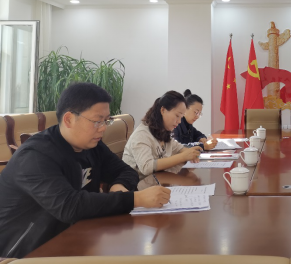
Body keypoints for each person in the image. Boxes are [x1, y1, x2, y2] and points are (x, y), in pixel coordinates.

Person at [0, 83, 171, 259]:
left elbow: (126, 171)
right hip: (24, 254)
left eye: (107, 120)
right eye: (97, 121)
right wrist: (135, 199)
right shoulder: (35, 156)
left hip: (74, 239)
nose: (103, 127)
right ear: (69, 119)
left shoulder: (92, 146)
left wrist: (119, 187)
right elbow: (69, 206)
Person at [123, 91, 202, 180]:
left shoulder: (163, 132)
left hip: (157, 182)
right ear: (163, 110)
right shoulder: (141, 134)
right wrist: (183, 157)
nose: (179, 121)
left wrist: (191, 153)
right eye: (177, 116)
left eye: (181, 117)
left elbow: (179, 148)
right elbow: (147, 167)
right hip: (137, 184)